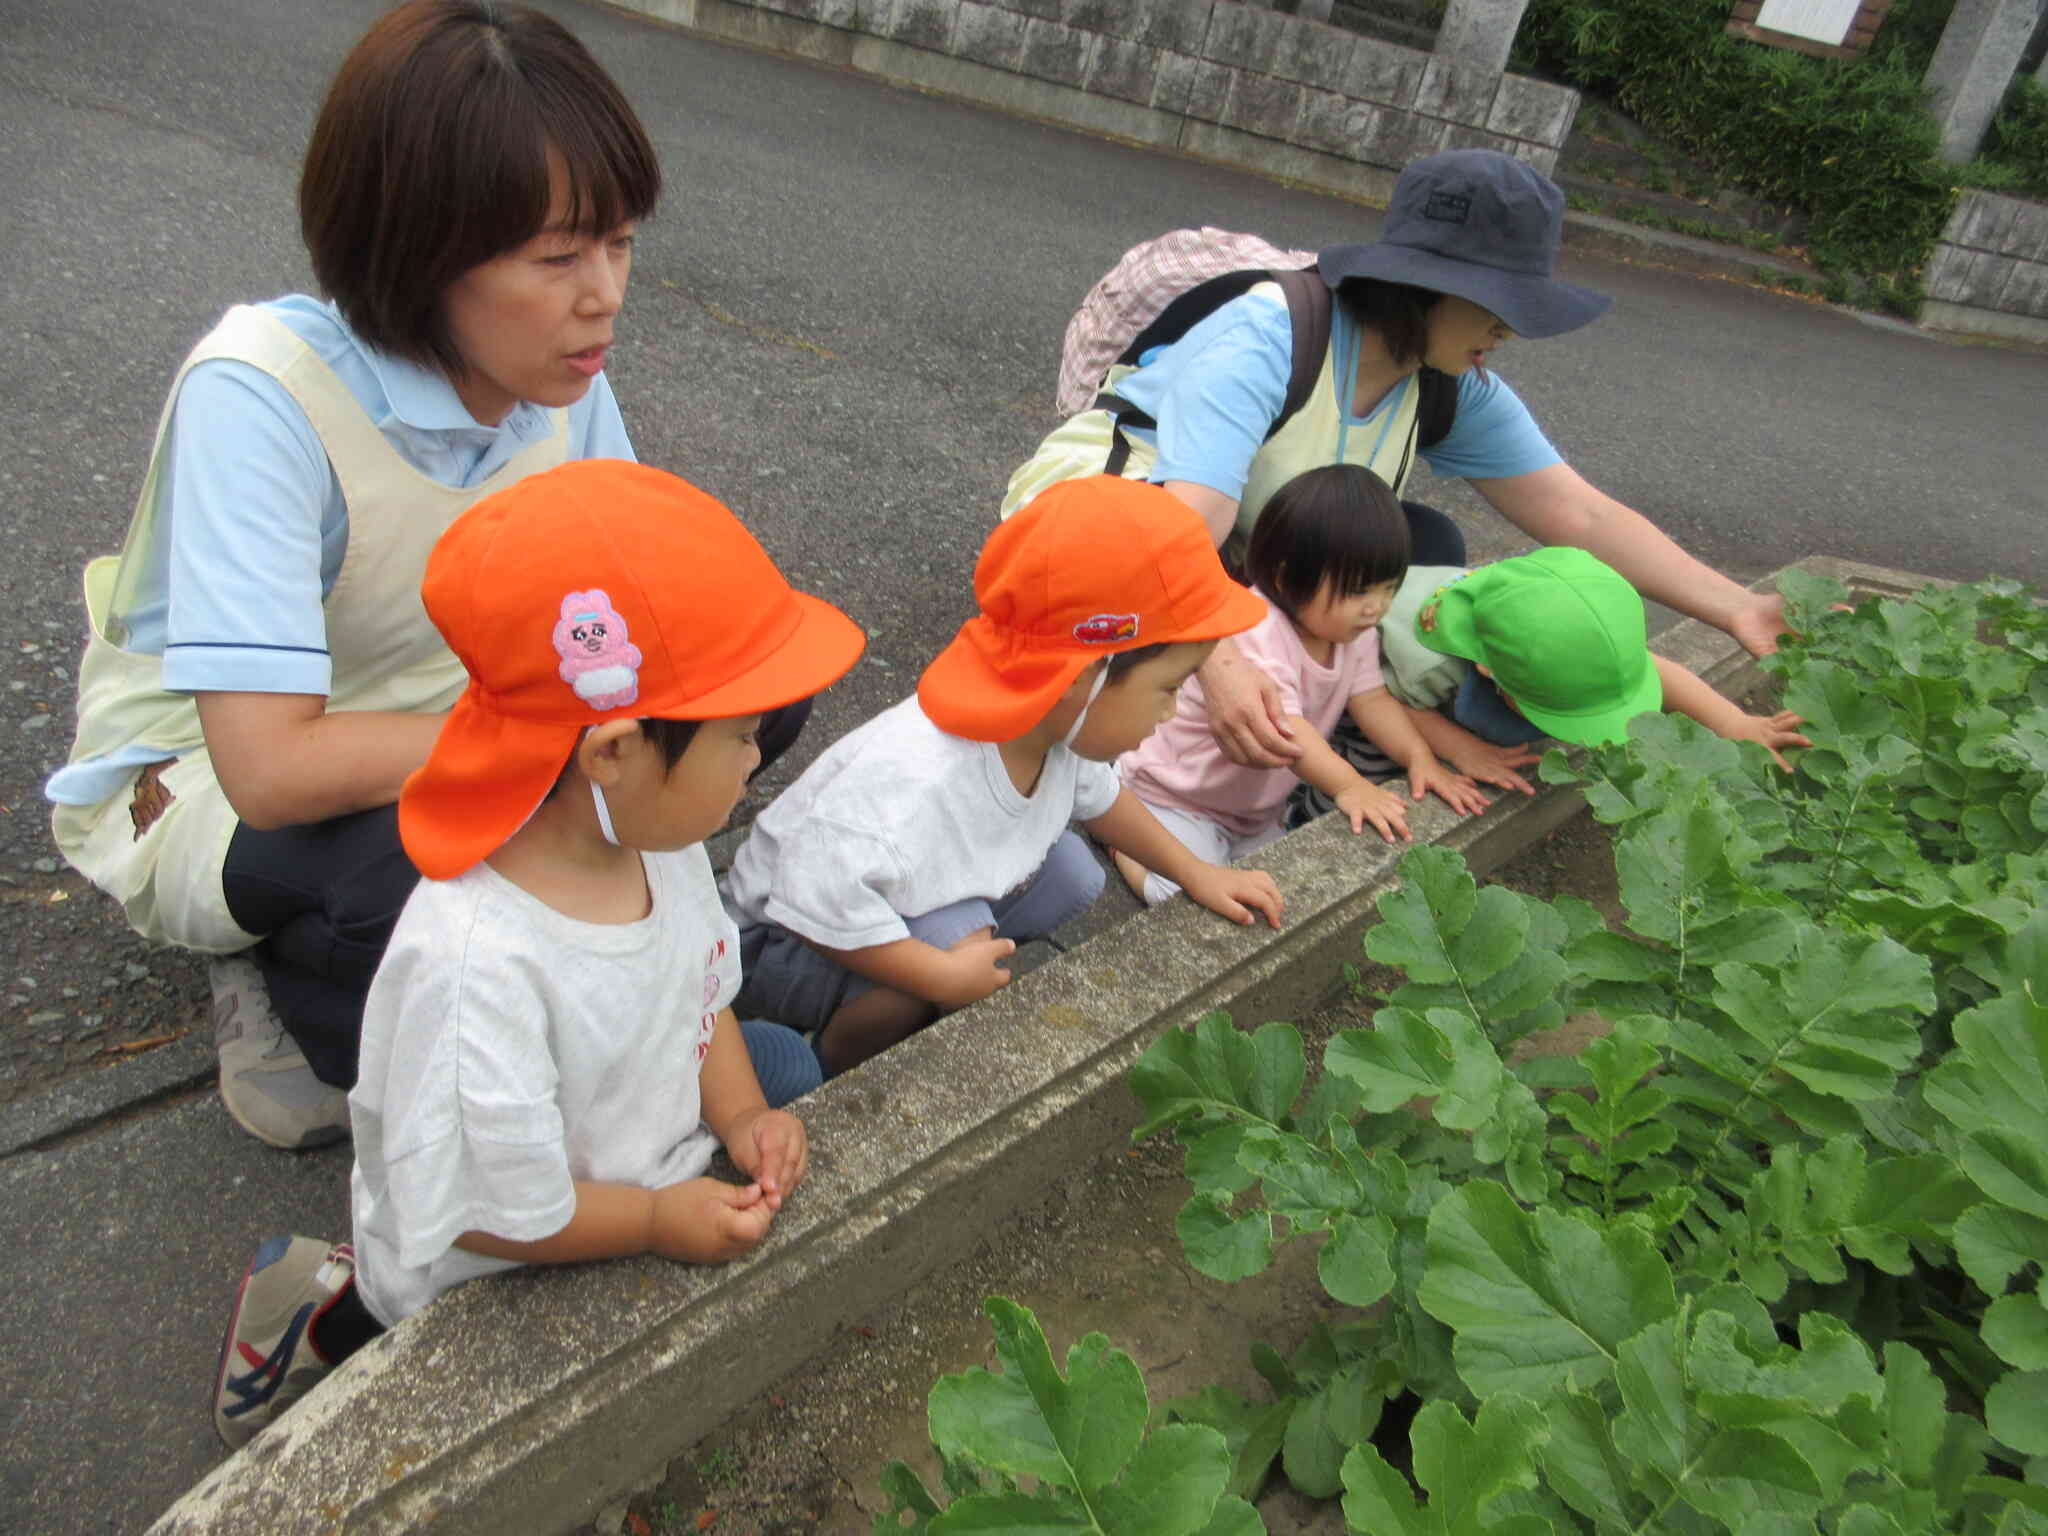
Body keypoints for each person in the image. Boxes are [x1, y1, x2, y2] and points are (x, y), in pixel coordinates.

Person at [44, 2, 800, 1152]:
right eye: (557, 257)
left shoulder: (561, 374)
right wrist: (558, 744)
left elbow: (650, 593)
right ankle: (276, 974)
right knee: (412, 873)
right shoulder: (263, 395)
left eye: (621, 243)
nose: (605, 294)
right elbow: (271, 768)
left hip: (479, 710)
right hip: (218, 774)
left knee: (753, 693)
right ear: (417, 245)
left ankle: (617, 982)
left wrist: (638, 714)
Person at [211, 459, 866, 1451]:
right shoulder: (478, 964)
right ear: (609, 753)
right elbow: (484, 1216)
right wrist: (653, 1223)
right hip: (489, 1260)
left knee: (776, 1066)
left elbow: (701, 1002)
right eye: (741, 736)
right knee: (398, 1362)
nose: (754, 761)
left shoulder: (661, 845)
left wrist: (740, 1115)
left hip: (626, 1166)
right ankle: (302, 1318)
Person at [1001, 147, 1791, 777]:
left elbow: (1578, 512)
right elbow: (1183, 529)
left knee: (1425, 543)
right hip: (1126, 520)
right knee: (1157, 662)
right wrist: (1216, 659)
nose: (1507, 333)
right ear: (1423, 289)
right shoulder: (1270, 335)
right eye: (1497, 306)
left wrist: (1737, 608)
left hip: (1248, 546)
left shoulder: (1449, 380)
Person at [724, 476, 1286, 1077]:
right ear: (1084, 679)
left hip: (876, 890)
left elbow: (1104, 801)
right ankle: (835, 1068)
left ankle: (933, 976)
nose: (1173, 711)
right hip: (778, 941)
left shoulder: (1053, 727)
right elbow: (812, 891)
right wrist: (940, 976)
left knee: (1071, 872)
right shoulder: (917, 781)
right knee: (955, 959)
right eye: (1169, 689)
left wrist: (1197, 874)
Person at [1114, 465, 1524, 905]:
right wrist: (1350, 786)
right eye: (1359, 591)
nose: (1377, 607)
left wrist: (1420, 757)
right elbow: (1287, 727)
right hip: (1176, 795)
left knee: (1281, 886)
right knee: (1179, 894)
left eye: (1389, 588)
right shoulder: (1258, 627)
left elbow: (1373, 699)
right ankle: (1126, 843)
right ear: (1290, 575)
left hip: (1250, 809)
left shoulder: (1352, 632)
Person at [1381, 547, 1809, 767]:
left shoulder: (1568, 630)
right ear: (1488, 669)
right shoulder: (1426, 665)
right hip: (1371, 672)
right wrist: (1462, 751)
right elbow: (1389, 705)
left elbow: (1660, 672)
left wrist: (1733, 724)